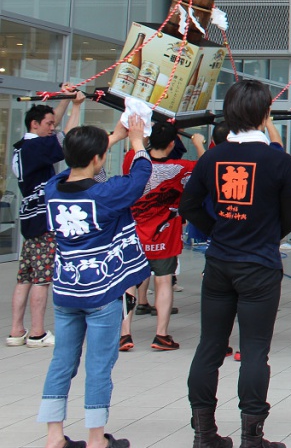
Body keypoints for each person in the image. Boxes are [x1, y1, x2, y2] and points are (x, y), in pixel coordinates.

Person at [181, 79, 291, 448]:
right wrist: (262, 235)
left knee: (209, 346)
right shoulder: (280, 161)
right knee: (254, 349)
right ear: (265, 114)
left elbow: (188, 206)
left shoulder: (211, 158)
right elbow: (289, 218)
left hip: (219, 262)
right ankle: (252, 437)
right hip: (260, 265)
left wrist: (219, 230)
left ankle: (204, 434)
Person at [37, 115, 151, 448]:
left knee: (62, 362)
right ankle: (96, 438)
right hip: (101, 292)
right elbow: (140, 176)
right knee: (99, 365)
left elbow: (70, 170)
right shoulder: (106, 194)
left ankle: (54, 436)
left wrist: (108, 140)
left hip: (66, 290)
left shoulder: (52, 190)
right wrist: (135, 141)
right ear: (98, 158)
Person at [119, 121, 204, 353]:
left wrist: (142, 134)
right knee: (164, 281)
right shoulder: (183, 167)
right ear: (172, 144)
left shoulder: (132, 161)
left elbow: (137, 145)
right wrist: (198, 144)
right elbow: (207, 167)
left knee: (129, 283)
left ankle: (124, 334)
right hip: (164, 237)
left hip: (134, 236)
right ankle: (161, 335)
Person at [10, 87, 84, 350]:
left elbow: (56, 133)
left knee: (25, 278)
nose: (53, 128)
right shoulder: (36, 147)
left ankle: (16, 330)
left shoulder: (22, 146)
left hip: (30, 218)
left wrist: (64, 100)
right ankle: (37, 332)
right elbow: (68, 141)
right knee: (42, 279)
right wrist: (77, 106)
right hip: (43, 220)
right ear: (35, 124)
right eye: (49, 124)